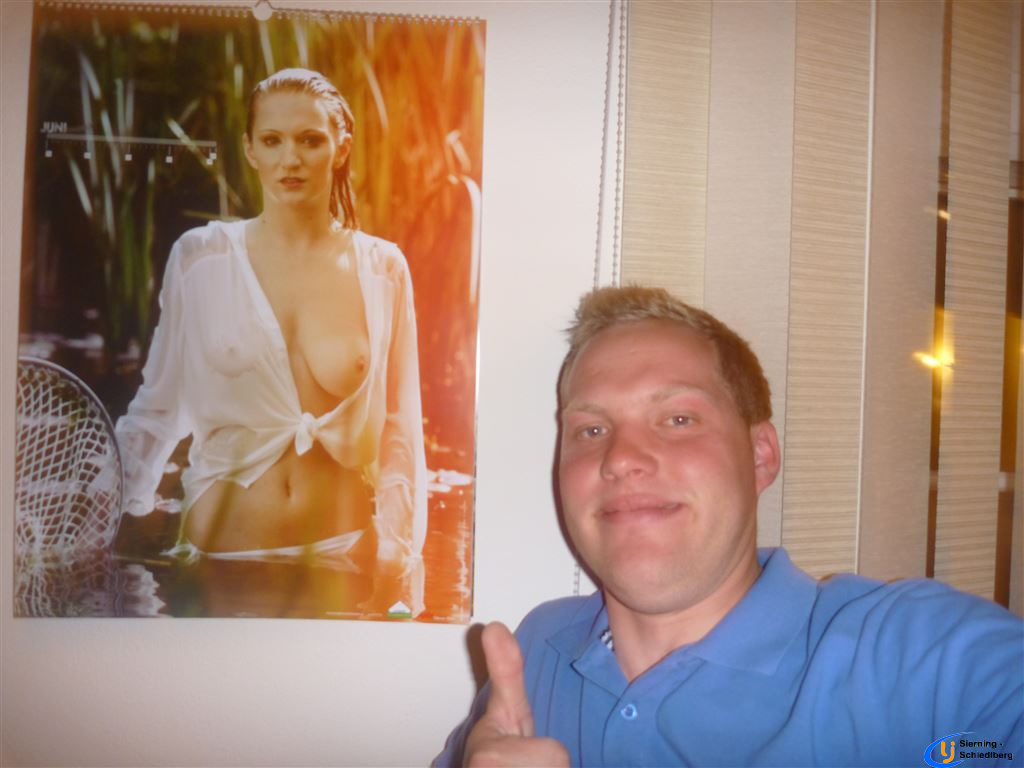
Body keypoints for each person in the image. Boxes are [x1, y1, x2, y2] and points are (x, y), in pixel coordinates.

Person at [436, 286, 1023, 766]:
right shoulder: (536, 652)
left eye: (678, 419)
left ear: (760, 456)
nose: (621, 458)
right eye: (591, 430)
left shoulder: (919, 659)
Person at [115, 68, 427, 617]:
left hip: (341, 558)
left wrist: (397, 555)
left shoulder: (382, 269)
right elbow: (160, 405)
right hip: (218, 559)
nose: (291, 159)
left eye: (310, 140)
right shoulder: (202, 258)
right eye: (273, 140)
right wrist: (105, 509)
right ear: (250, 149)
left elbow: (401, 428)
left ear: (340, 148)